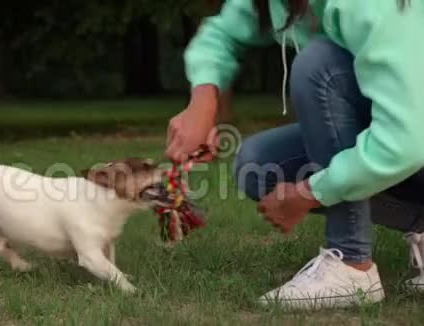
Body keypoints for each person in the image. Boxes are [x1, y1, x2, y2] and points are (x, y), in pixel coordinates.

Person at [165, 0, 424, 309]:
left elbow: (406, 141)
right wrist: (203, 102)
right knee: (259, 165)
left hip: (411, 135)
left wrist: (310, 192)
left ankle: (352, 266)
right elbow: (222, 31)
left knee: (319, 65)